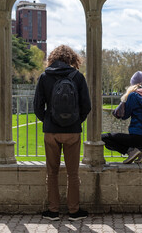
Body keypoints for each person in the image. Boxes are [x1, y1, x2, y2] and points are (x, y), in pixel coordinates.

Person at [33, 45, 91, 221]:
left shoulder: (44, 77)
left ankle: (53, 211)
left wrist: (49, 121)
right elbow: (86, 106)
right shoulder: (78, 77)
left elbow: (37, 107)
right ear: (72, 59)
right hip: (72, 131)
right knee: (72, 173)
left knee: (52, 172)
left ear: (53, 58)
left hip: (51, 132)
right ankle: (74, 211)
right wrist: (75, 122)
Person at [102, 71, 142, 164]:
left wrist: (123, 103)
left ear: (132, 84)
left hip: (136, 138)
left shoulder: (133, 95)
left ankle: (130, 151)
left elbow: (125, 116)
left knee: (104, 138)